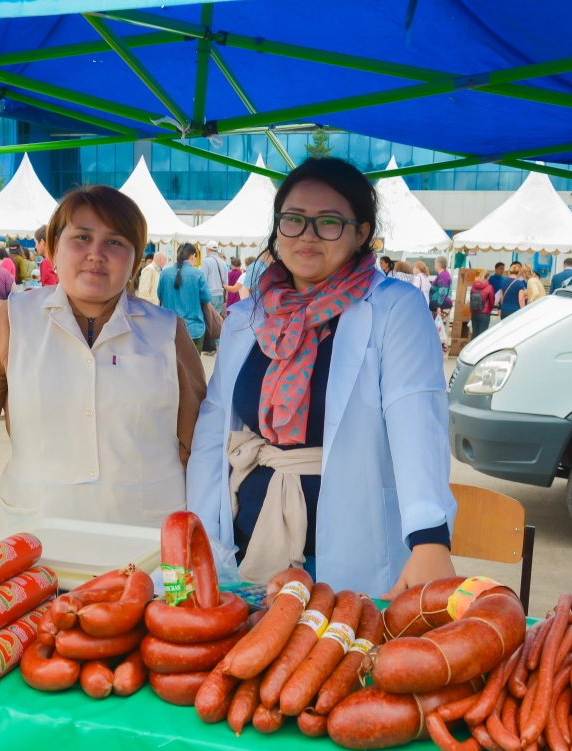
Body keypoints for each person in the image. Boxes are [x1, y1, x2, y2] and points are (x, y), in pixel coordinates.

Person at [0, 185, 208, 543]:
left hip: (148, 541)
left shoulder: (167, 331)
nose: (96, 254)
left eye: (115, 242)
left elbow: (200, 443)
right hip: (35, 541)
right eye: (82, 238)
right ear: (54, 250)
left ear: (136, 260)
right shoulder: (12, 321)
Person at [186, 157, 457, 598]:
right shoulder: (246, 316)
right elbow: (213, 431)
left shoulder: (394, 308)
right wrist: (197, 526)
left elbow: (416, 416)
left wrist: (429, 536)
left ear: (361, 233)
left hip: (351, 546)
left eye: (329, 222)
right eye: (293, 220)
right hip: (247, 540)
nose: (307, 235)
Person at [158, 242, 211, 352]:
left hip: (169, 329)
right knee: (193, 367)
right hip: (194, 329)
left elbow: (160, 295)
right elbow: (206, 297)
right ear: (193, 257)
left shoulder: (165, 273)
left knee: (172, 365)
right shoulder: (198, 274)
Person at [469, 269, 495, 339]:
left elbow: (471, 298)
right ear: (487, 277)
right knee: (482, 335)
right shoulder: (490, 287)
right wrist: (490, 309)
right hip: (484, 313)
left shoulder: (473, 286)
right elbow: (492, 301)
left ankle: (472, 349)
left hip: (474, 312)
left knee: (474, 333)